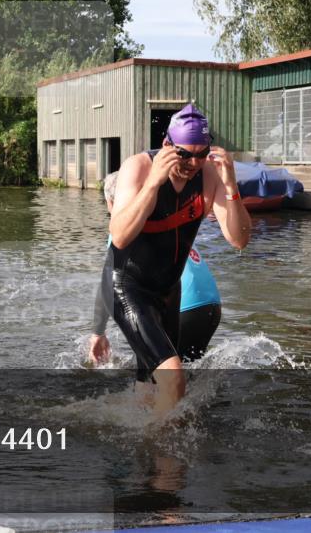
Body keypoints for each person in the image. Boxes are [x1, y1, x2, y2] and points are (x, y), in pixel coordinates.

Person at [105, 103, 250, 416]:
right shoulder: (139, 167)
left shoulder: (209, 175)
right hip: (129, 289)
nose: (193, 163)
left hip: (170, 293)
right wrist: (154, 183)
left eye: (202, 153)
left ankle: (141, 450)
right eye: (185, 154)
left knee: (151, 386)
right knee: (174, 379)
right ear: (168, 145)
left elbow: (239, 240)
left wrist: (231, 185)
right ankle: (167, 461)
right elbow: (118, 235)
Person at [90, 174, 222, 365]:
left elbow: (108, 283)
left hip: (183, 306)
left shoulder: (124, 233)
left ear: (112, 202)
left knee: (156, 374)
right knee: (186, 374)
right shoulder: (168, 221)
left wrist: (98, 332)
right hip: (211, 304)